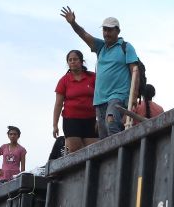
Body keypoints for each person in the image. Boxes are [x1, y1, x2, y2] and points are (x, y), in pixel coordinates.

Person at [59, 8, 141, 138]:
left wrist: (133, 100)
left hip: (118, 95)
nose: (106, 33)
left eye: (110, 30)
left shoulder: (126, 47)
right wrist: (73, 23)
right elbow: (83, 34)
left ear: (117, 31)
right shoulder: (100, 47)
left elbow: (135, 72)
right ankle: (112, 157)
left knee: (111, 121)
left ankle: (120, 154)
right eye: (104, 30)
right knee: (103, 136)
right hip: (100, 99)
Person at [53, 50, 98, 154]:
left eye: (75, 59)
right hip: (71, 119)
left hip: (90, 119)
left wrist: (99, 118)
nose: (72, 62)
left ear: (81, 61)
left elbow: (101, 97)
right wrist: (55, 125)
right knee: (75, 150)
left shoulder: (93, 77)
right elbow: (58, 104)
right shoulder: (64, 80)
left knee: (94, 150)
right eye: (70, 60)